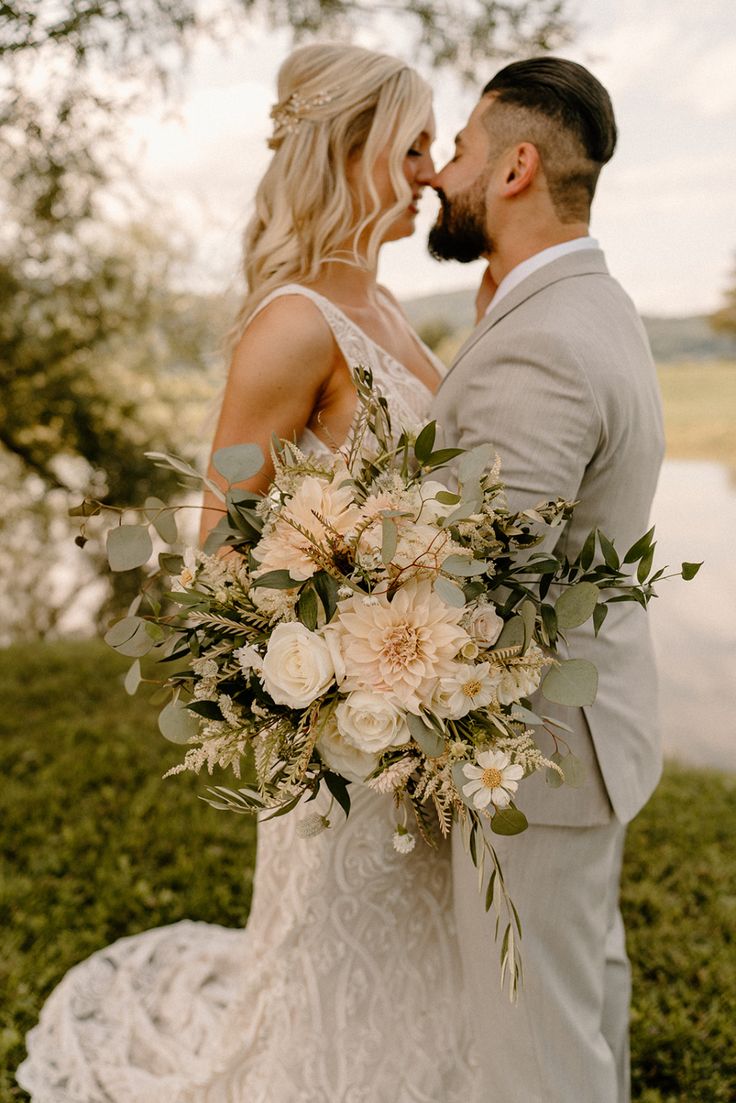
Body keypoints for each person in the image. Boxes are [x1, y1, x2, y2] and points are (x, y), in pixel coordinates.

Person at [17, 43, 480, 1102]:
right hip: (344, 713)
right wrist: (332, 658)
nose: (428, 173)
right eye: (411, 148)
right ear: (354, 153)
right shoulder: (291, 323)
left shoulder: (388, 306)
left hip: (426, 689)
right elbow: (220, 540)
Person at [429, 56, 665, 1103]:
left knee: (534, 1047)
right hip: (589, 730)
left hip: (537, 756)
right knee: (579, 990)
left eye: (459, 151)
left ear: (515, 166)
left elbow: (484, 589)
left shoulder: (546, 345)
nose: (441, 174)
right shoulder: (594, 303)